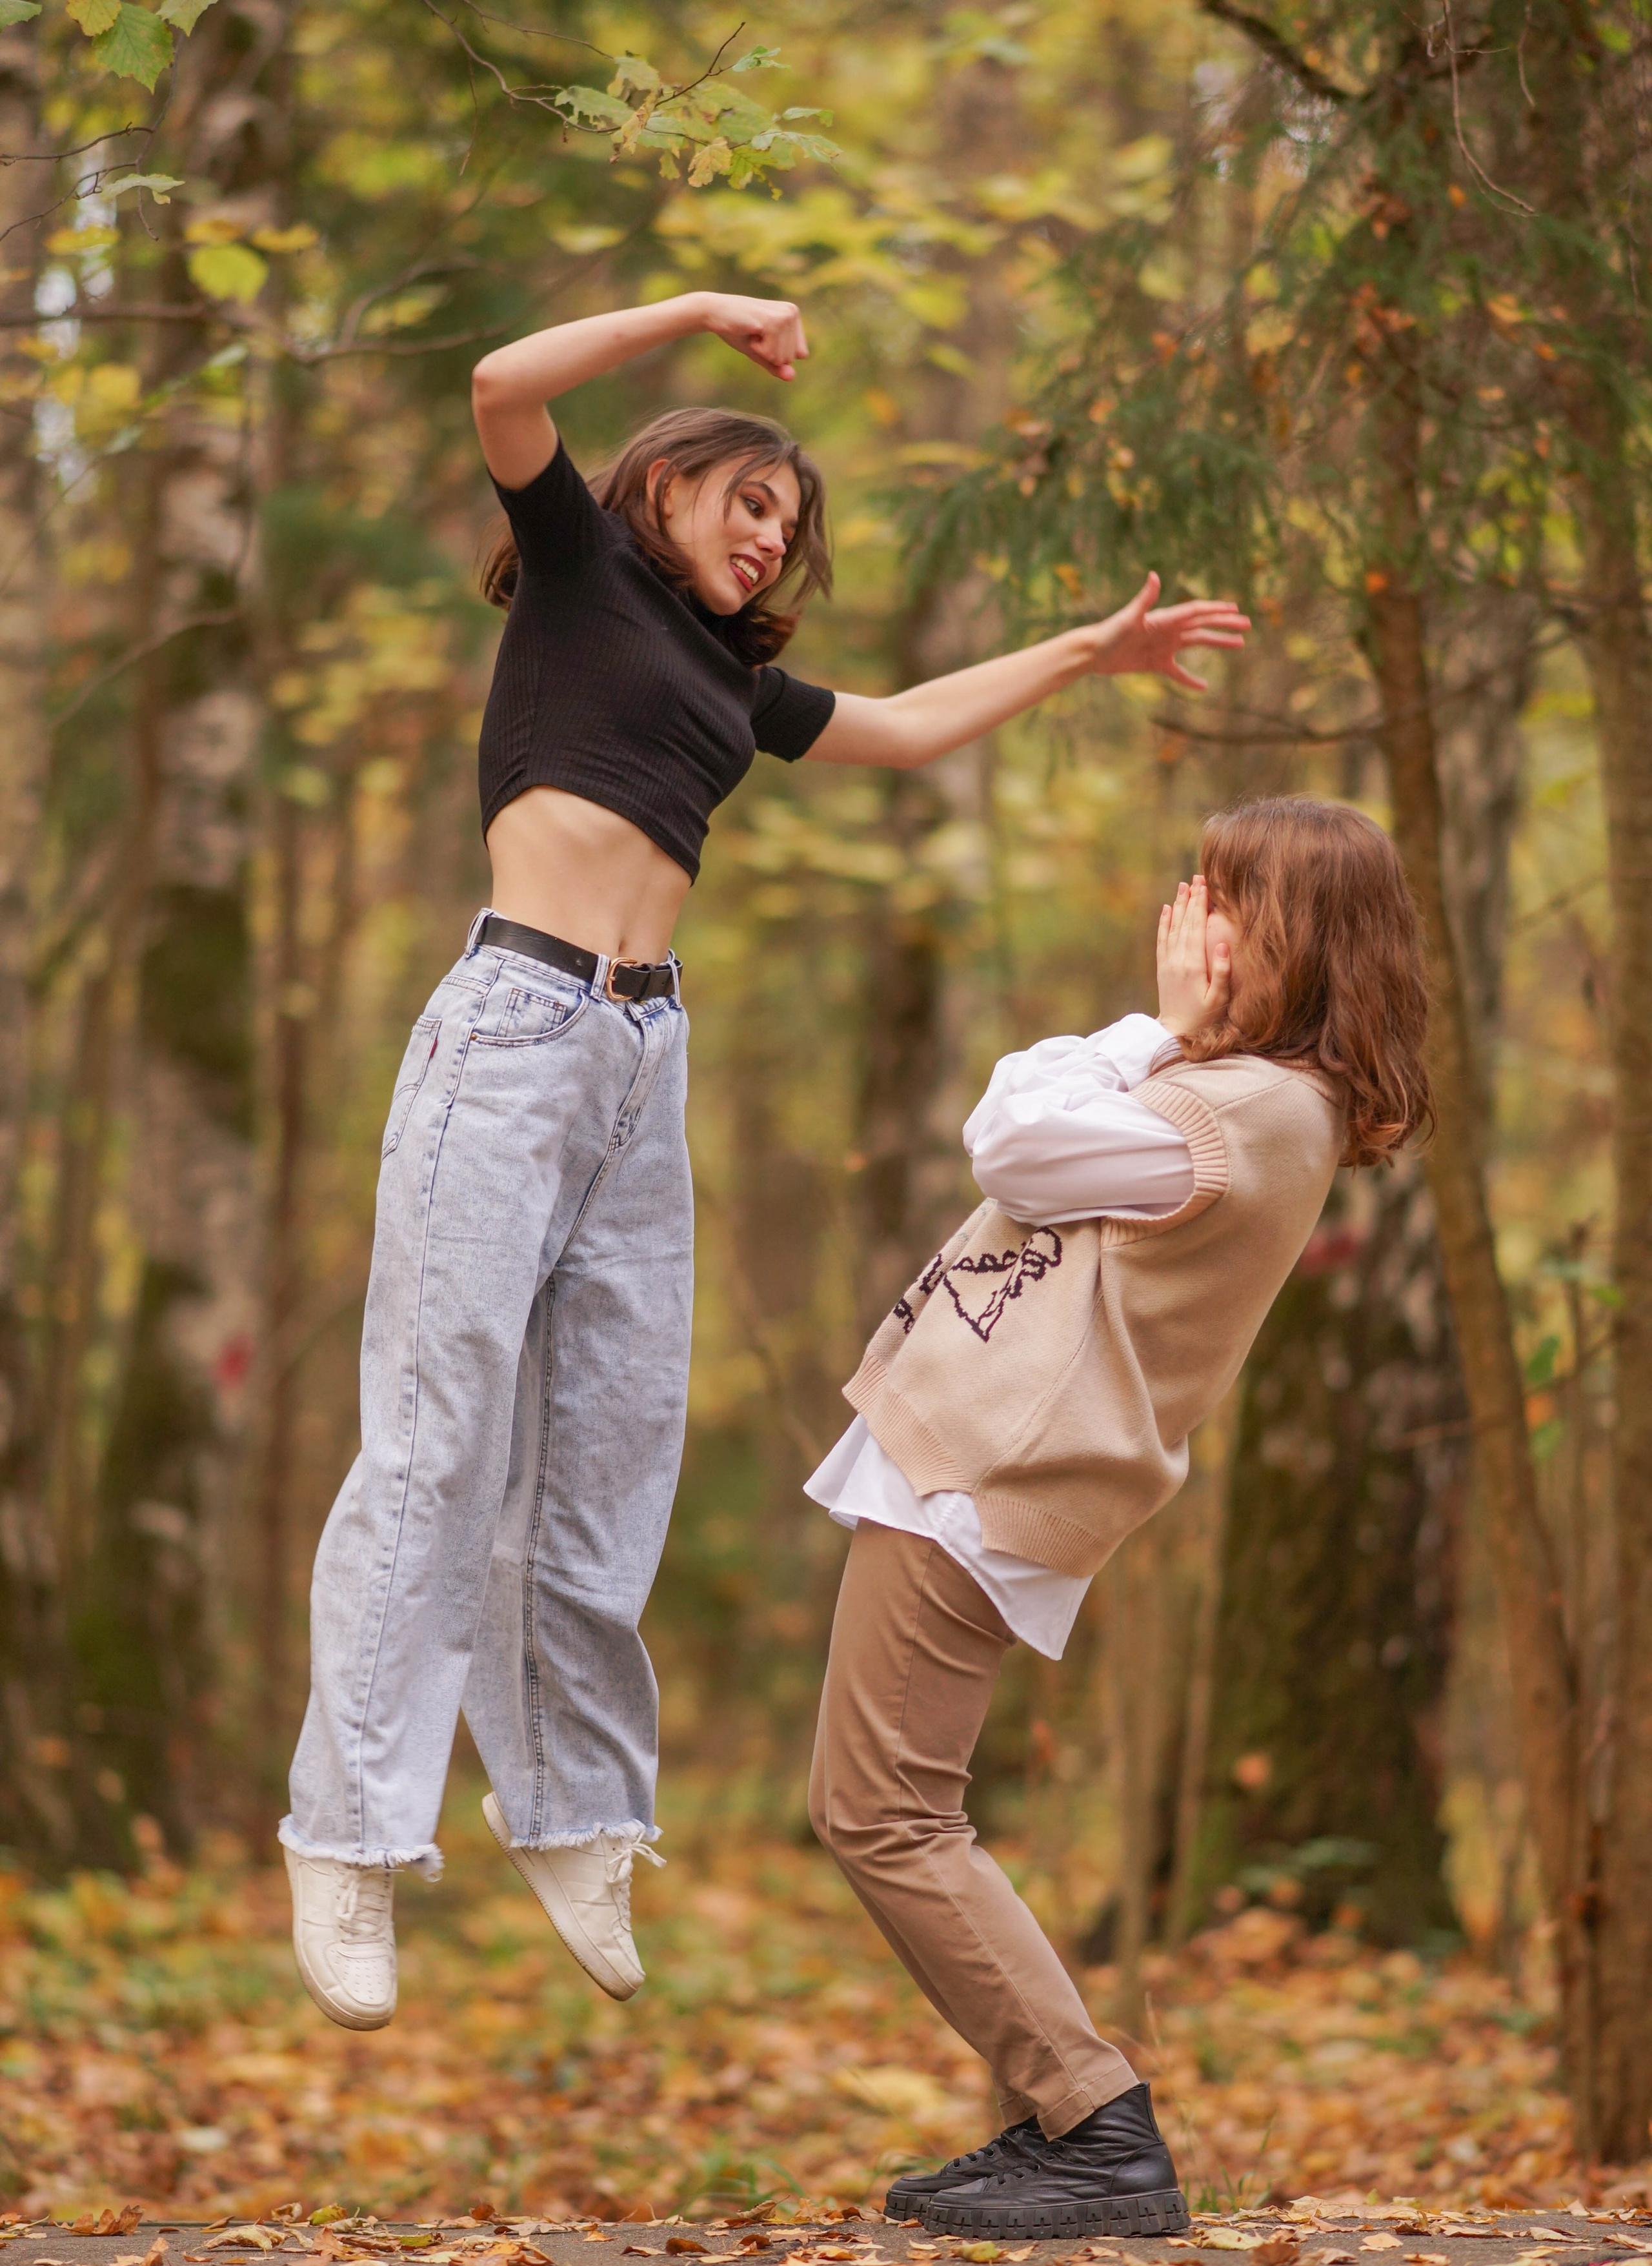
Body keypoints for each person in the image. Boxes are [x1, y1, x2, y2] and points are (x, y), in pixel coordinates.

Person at [279, 286, 1251, 2034]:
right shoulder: (578, 573)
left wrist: (1081, 658)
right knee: (439, 1440)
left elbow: (899, 725)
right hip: (512, 1032)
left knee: (609, 1450)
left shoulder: (731, 682)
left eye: (789, 527)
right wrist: (702, 309)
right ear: (670, 485)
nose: (769, 537)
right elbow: (502, 380)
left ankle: (573, 1808)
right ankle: (348, 1834)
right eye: (750, 502)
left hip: (646, 1061)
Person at [805, 798, 1433, 2236]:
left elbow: (1012, 1143)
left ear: (1286, 935)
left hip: (991, 1471)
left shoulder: (1245, 1112)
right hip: (974, 1454)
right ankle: (1067, 2121)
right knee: (891, 1805)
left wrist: (1151, 1027)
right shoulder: (1242, 1099)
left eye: (1214, 897)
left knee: (885, 1811)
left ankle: (1089, 2123)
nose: (1182, 918)